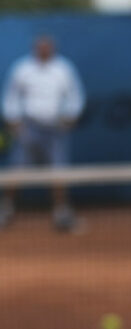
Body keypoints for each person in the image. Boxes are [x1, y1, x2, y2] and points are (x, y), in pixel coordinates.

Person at [1, 34, 85, 232]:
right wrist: (14, 121)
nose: (44, 50)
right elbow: (10, 97)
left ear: (53, 49)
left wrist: (70, 116)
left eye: (47, 47)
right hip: (29, 127)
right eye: (40, 47)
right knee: (17, 170)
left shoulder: (64, 69)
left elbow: (75, 96)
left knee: (58, 172)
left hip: (55, 128)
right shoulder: (22, 69)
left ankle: (61, 214)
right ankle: (6, 211)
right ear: (35, 49)